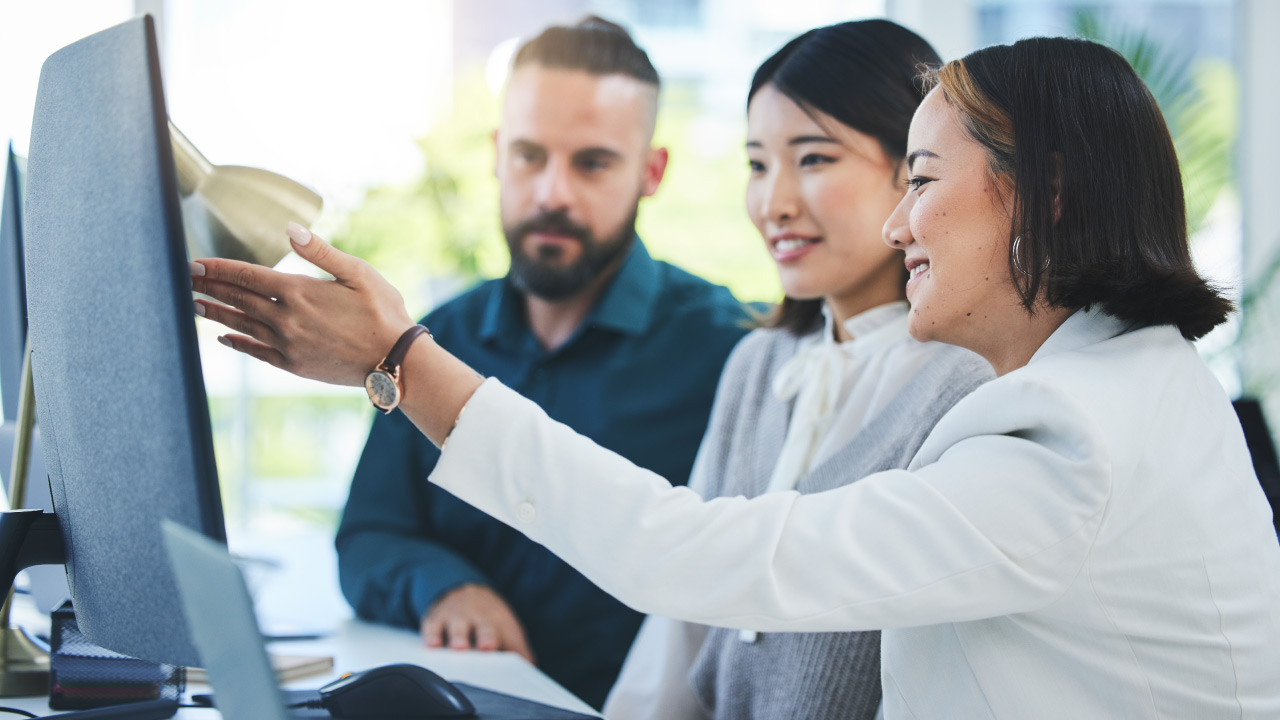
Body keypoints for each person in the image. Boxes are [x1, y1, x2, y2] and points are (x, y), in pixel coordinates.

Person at [192, 36, 1280, 717]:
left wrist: (400, 362)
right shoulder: (1107, 385)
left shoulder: (1064, 436)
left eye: (921, 179)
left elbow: (706, 557)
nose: (900, 222)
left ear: (1041, 196)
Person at [331, 16, 749, 709]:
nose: (552, 192)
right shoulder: (436, 341)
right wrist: (445, 586)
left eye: (592, 162)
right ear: (498, 155)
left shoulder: (727, 348)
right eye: (529, 156)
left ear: (652, 172)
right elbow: (370, 535)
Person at [603, 20, 991, 720]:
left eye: (813, 159)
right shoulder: (757, 364)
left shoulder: (970, 383)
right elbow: (681, 616)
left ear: (915, 166)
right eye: (757, 164)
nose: (774, 201)